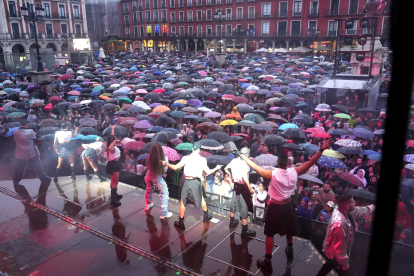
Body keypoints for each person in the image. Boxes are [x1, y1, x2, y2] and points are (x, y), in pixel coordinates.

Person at [239, 141, 332, 272]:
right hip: (288, 206)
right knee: (289, 229)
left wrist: (244, 157)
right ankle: (289, 248)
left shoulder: (273, 174)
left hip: (275, 207)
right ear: (288, 162)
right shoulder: (295, 171)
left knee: (270, 233)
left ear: (278, 163)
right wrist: (321, 149)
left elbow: (256, 168)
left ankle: (268, 260)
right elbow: (311, 163)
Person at [162, 142, 222, 230]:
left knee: (183, 201)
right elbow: (208, 172)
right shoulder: (202, 159)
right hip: (196, 181)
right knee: (201, 198)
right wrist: (216, 168)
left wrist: (166, 163)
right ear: (199, 150)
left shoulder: (186, 158)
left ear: (192, 149)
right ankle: (206, 215)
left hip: (186, 181)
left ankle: (181, 222)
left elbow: (175, 167)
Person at [316, 193, 375, 276]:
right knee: (343, 271)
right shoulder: (340, 224)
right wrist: (345, 264)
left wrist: (373, 206)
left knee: (328, 265)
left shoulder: (342, 209)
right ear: (347, 206)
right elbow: (339, 249)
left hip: (333, 252)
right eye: (352, 201)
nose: (354, 202)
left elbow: (360, 211)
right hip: (336, 255)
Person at [224, 148, 256, 237]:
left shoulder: (234, 161)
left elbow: (226, 168)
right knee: (244, 206)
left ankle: (232, 221)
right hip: (243, 187)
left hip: (236, 186)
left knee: (234, 202)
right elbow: (245, 179)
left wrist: (231, 176)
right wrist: (250, 189)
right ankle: (245, 229)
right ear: (247, 155)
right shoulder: (246, 164)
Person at [13, 119, 51, 186]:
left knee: (19, 168)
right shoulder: (30, 131)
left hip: (20, 153)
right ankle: (44, 179)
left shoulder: (15, 132)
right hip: (30, 152)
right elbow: (34, 138)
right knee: (38, 166)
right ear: (27, 124)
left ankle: (16, 180)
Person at [144, 143, 172, 219]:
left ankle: (148, 204)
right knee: (164, 193)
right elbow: (165, 170)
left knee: (149, 190)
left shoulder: (149, 157)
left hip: (148, 176)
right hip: (157, 178)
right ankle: (164, 213)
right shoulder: (164, 158)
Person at [106, 135, 123, 207]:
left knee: (113, 181)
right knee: (115, 182)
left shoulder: (114, 146)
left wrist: (113, 128)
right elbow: (109, 148)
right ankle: (113, 200)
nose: (116, 139)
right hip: (114, 164)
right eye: (115, 138)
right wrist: (114, 141)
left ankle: (115, 195)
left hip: (114, 164)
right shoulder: (111, 147)